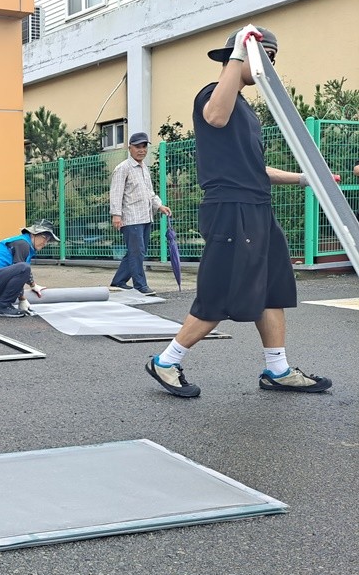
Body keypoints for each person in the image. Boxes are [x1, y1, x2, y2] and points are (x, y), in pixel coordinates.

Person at [145, 24, 331, 398]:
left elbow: (255, 167)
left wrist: (304, 178)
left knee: (272, 290)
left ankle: (277, 369)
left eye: (274, 59)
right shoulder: (212, 96)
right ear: (242, 57)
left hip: (258, 206)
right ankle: (166, 361)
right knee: (221, 294)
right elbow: (215, 116)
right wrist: (241, 51)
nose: (271, 67)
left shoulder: (246, 110)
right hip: (230, 208)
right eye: (267, 57)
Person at [109, 131, 172, 295]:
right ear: (130, 148)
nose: (141, 150)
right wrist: (116, 215)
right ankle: (140, 285)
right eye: (138, 146)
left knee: (136, 251)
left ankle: (119, 281)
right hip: (131, 218)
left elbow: (149, 192)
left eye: (144, 146)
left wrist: (160, 206)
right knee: (137, 252)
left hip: (145, 217)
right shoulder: (123, 168)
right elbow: (116, 193)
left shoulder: (144, 169)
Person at [0, 219, 59, 318]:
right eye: (45, 238)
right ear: (34, 234)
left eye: (48, 240)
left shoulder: (23, 243)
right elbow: (22, 269)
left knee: (23, 267)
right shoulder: (22, 244)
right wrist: (22, 299)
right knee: (24, 267)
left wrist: (33, 285)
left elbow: (19, 271)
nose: (45, 243)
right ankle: (2, 307)